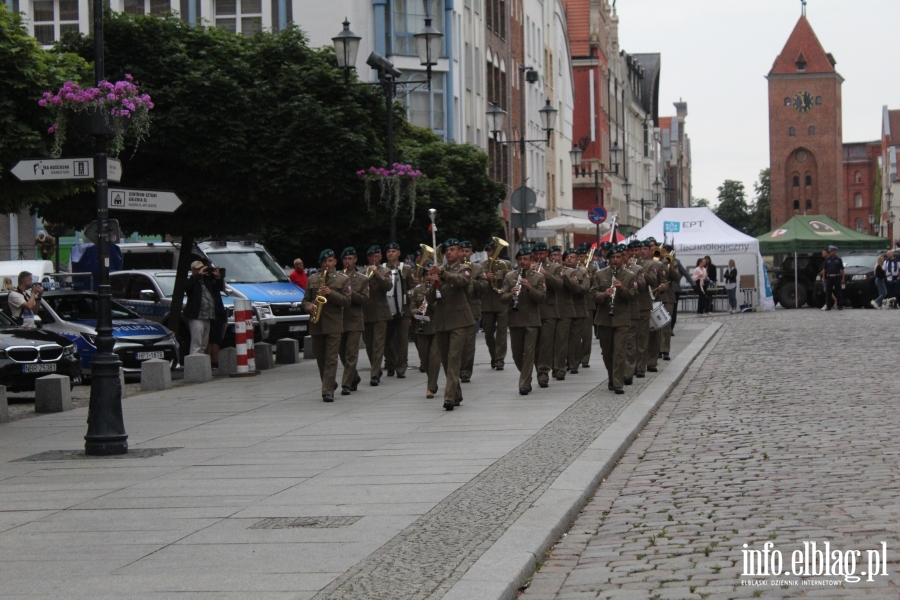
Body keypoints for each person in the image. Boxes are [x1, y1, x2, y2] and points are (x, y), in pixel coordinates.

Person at [426, 239, 475, 411]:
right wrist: (433, 282)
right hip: (442, 321)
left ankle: (448, 398)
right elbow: (430, 298)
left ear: (460, 252)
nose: (449, 253)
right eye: (447, 250)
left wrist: (443, 275)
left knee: (454, 360)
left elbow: (462, 281)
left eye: (453, 250)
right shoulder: (441, 271)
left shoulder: (464, 269)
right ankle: (457, 394)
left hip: (459, 322)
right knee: (446, 362)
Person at [303, 250, 351, 402]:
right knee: (320, 357)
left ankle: (327, 391)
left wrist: (331, 293)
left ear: (335, 262)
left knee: (331, 358)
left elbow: (347, 301)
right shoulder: (312, 279)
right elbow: (304, 300)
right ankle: (329, 382)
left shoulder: (343, 279)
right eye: (324, 262)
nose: (327, 264)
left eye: (330, 261)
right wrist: (309, 306)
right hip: (317, 323)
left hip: (334, 323)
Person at [590, 244, 637, 394]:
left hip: (622, 318)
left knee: (620, 351)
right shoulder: (600, 275)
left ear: (623, 258)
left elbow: (634, 296)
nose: (615, 260)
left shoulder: (630, 275)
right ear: (608, 259)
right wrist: (604, 295)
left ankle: (618, 382)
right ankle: (612, 376)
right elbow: (592, 294)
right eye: (612, 258)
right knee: (607, 352)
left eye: (618, 257)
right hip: (604, 318)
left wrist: (622, 289)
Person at [501, 246, 546, 395]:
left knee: (529, 352)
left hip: (532, 320)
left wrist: (529, 287)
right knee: (516, 353)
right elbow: (502, 297)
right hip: (515, 319)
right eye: (520, 259)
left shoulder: (538, 277)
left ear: (531, 260)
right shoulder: (510, 277)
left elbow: (542, 298)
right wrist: (511, 294)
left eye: (525, 259)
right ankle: (526, 373)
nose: (522, 262)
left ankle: (524, 383)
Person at [383, 242, 416, 379]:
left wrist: (409, 294)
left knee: (402, 341)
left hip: (403, 309)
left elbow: (412, 287)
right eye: (389, 251)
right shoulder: (382, 268)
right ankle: (391, 363)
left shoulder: (406, 269)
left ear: (399, 253)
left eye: (394, 251)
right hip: (387, 309)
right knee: (385, 339)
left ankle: (401, 368)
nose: (391, 253)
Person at [532, 242, 563, 388]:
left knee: (546, 344)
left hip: (549, 310)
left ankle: (543, 373)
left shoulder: (555, 267)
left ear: (547, 254)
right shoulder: (528, 266)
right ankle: (539, 368)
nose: (539, 257)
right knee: (534, 345)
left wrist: (546, 274)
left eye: (542, 254)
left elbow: (559, 285)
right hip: (533, 310)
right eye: (536, 254)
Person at [339, 247, 368, 395]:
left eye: (350, 259)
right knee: (342, 354)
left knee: (351, 354)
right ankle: (354, 377)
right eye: (345, 259)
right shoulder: (337, 277)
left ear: (355, 260)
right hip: (340, 320)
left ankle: (346, 384)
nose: (347, 262)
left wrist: (352, 293)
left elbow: (364, 300)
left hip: (355, 321)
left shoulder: (362, 279)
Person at [362, 246, 393, 386]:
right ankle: (378, 367)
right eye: (371, 256)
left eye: (376, 256)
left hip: (381, 313)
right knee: (369, 345)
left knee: (378, 344)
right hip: (366, 313)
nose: (374, 259)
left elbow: (388, 286)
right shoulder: (362, 272)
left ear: (380, 257)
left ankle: (374, 374)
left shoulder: (385, 271)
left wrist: (377, 274)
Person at [459, 241, 488, 383]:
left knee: (469, 343)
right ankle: (456, 367)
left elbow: (484, 286)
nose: (464, 254)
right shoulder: (453, 269)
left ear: (471, 253)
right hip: (456, 309)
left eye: (467, 251)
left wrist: (471, 281)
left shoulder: (477, 268)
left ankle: (465, 371)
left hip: (472, 309)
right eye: (462, 251)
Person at [184, 261, 226, 355]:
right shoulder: (191, 281)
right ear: (193, 270)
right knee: (196, 343)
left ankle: (202, 364)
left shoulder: (207, 280)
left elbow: (218, 288)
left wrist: (217, 276)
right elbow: (187, 287)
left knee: (204, 344)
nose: (201, 271)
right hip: (196, 316)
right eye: (198, 269)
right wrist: (198, 276)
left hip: (208, 316)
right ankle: (195, 363)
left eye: (202, 268)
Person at [550, 245, 579, 381]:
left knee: (562, 342)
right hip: (549, 310)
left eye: (556, 255)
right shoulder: (545, 270)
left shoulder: (569, 272)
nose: (554, 258)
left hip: (564, 310)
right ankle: (551, 366)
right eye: (552, 255)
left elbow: (574, 287)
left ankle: (560, 368)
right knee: (549, 341)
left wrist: (563, 276)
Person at [411, 267, 441, 398]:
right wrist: (417, 310)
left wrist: (431, 304)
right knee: (424, 359)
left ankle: (431, 387)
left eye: (432, 274)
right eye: (427, 275)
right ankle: (432, 382)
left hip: (436, 326)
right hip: (421, 327)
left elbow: (442, 306)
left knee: (434, 358)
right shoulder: (417, 290)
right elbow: (410, 309)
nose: (429, 277)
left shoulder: (438, 289)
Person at [481, 240, 509, 370]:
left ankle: (500, 360)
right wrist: (486, 279)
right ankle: (494, 355)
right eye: (488, 251)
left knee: (502, 332)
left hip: (502, 302)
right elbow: (478, 285)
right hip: (487, 303)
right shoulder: (482, 266)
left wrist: (507, 274)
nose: (490, 253)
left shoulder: (505, 264)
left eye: (492, 250)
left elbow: (511, 282)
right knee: (488, 333)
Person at [565, 249, 590, 375]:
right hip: (563, 309)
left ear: (578, 260)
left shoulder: (583, 272)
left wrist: (571, 284)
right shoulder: (560, 271)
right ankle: (564, 362)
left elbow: (585, 288)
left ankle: (574, 363)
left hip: (578, 308)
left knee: (575, 338)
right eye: (567, 257)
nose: (569, 259)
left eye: (573, 257)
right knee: (563, 338)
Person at [819, 245, 845, 311]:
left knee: (838, 291)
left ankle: (840, 305)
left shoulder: (838, 260)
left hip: (836, 276)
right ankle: (828, 305)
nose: (830, 252)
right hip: (829, 277)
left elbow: (842, 269)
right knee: (828, 292)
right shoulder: (827, 260)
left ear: (835, 251)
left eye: (832, 251)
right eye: (830, 251)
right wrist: (824, 278)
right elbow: (824, 269)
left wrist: (843, 278)